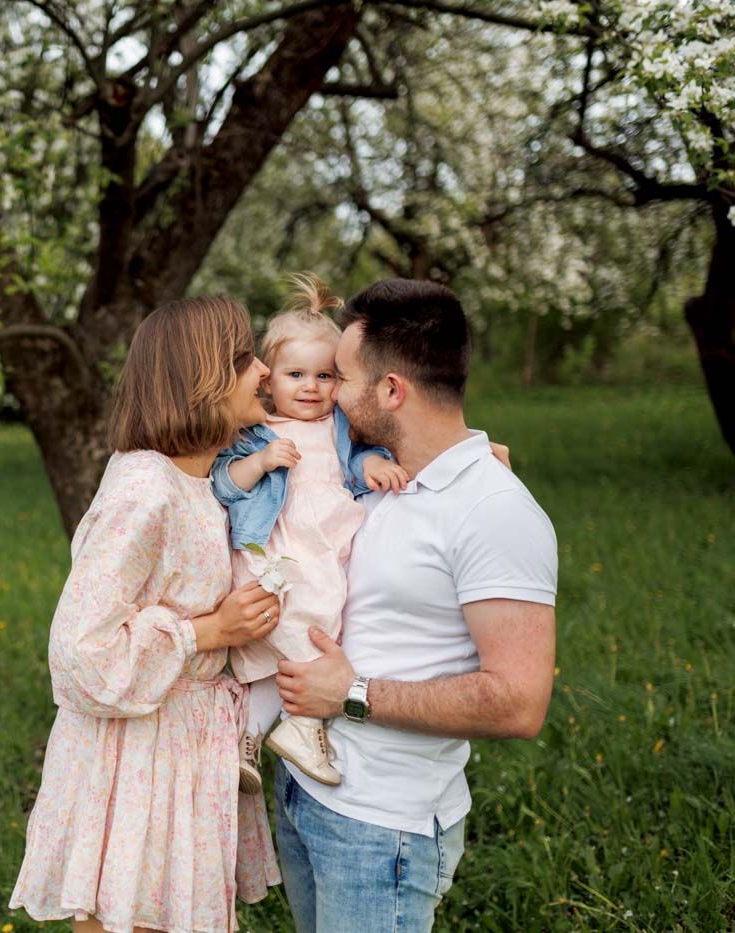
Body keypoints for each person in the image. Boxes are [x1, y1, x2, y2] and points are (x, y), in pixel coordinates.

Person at [272, 279, 558, 932]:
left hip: (382, 829)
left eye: (341, 377)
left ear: (392, 390)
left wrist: (352, 694)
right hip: (305, 790)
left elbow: (519, 701)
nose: (329, 393)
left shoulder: (495, 512)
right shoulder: (382, 471)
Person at [8, 296, 285, 933]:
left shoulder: (203, 479)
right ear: (204, 375)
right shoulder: (146, 490)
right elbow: (81, 649)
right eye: (245, 359)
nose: (265, 370)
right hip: (138, 754)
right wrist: (209, 631)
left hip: (181, 748)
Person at [210, 274, 408, 792]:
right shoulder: (255, 433)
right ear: (267, 379)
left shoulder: (340, 426)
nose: (311, 387)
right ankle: (298, 727)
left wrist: (370, 465)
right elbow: (223, 485)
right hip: (274, 555)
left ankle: (249, 739)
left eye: (325, 376)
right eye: (295, 374)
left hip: (323, 554)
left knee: (300, 649)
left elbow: (365, 454)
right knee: (308, 638)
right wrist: (259, 462)